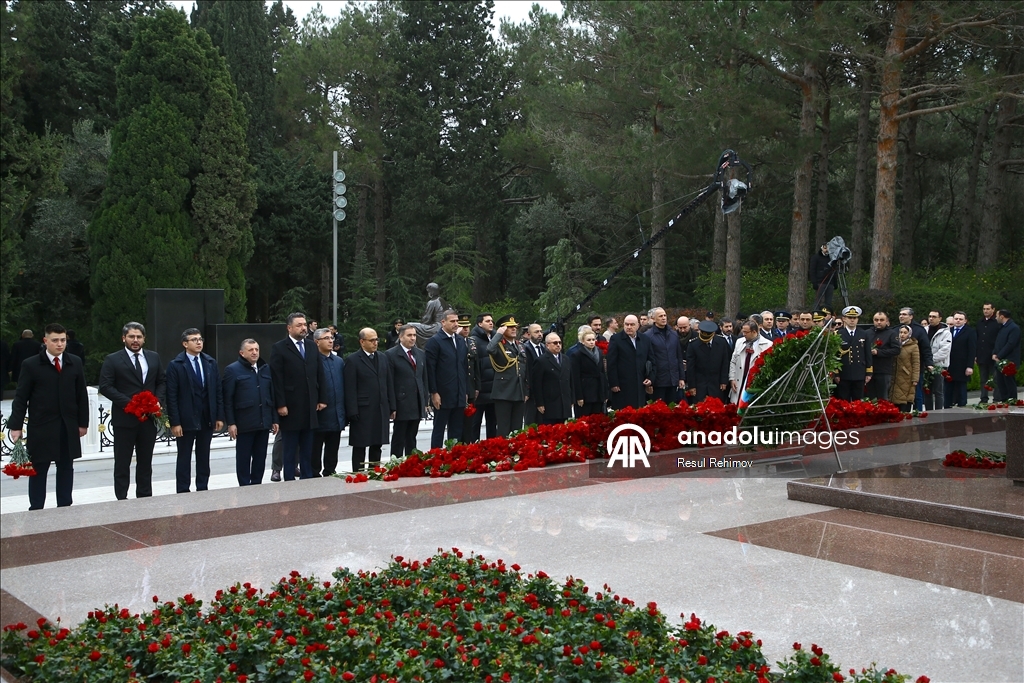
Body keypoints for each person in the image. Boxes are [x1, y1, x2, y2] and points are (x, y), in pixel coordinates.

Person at [8, 323, 89, 510]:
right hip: (41, 427)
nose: (60, 344)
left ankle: (65, 507)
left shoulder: (74, 362)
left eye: (63, 340)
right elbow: (21, 397)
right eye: (55, 340)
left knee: (66, 468)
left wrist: (82, 423)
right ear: (45, 341)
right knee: (39, 469)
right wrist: (16, 426)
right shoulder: (31, 364)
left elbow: (81, 395)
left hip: (67, 425)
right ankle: (36, 509)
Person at [98, 322, 166, 499]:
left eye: (139, 337)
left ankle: (144, 496)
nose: (135, 340)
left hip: (148, 419)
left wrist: (156, 401)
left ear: (144, 339)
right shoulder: (113, 359)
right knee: (122, 462)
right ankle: (122, 497)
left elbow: (161, 381)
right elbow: (105, 386)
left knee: (145, 462)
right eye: (131, 337)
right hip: (125, 418)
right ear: (124, 338)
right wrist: (131, 403)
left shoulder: (153, 357)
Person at [270, 312, 327, 481]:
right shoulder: (279, 348)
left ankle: (307, 478)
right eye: (299, 325)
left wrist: (322, 398)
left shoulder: (311, 346)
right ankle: (289, 479)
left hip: (310, 405)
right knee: (289, 447)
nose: (303, 328)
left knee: (308, 447)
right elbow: (277, 378)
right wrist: (281, 404)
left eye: (304, 324)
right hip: (291, 406)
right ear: (289, 328)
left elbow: (319, 373)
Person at [165, 328, 224, 493]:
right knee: (184, 456)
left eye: (200, 339)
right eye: (194, 340)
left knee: (204, 455)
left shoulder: (210, 363)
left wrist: (219, 416)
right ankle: (183, 489)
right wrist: (175, 422)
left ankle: (202, 487)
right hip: (186, 418)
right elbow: (171, 396)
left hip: (206, 417)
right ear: (185, 344)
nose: (198, 342)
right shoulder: (176, 365)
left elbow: (218, 391)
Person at [224, 339, 277, 486]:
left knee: (260, 457)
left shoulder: (265, 369)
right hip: (244, 422)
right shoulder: (232, 370)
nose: (254, 352)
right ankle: (244, 486)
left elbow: (271, 395)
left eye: (256, 349)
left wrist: (274, 419)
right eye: (250, 350)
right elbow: (228, 399)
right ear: (242, 353)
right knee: (244, 457)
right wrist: (231, 423)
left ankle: (256, 485)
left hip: (263, 421)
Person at [344, 328, 395, 472]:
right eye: (371, 340)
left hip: (380, 407)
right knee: (360, 444)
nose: (375, 343)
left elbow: (389, 383)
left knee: (377, 443)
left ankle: (374, 471)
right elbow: (350, 388)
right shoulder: (353, 360)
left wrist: (392, 406)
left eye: (376, 340)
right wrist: (352, 410)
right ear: (362, 342)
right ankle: (358, 472)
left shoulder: (383, 358)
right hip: (362, 409)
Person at [425, 309, 469, 448]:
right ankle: (436, 455)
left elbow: (464, 366)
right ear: (443, 322)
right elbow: (430, 369)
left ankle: (454, 456)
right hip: (443, 393)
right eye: (452, 321)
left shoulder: (460, 340)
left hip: (459, 392)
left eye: (457, 321)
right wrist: (434, 392)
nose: (456, 324)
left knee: (456, 430)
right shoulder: (435, 342)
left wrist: (465, 390)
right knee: (439, 428)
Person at [386, 324, 427, 457]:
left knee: (412, 436)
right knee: (399, 437)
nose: (413, 338)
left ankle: (411, 462)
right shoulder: (391, 355)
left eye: (414, 335)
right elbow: (389, 382)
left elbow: (423, 378)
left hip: (416, 402)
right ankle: (396, 462)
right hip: (401, 403)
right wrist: (392, 406)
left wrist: (425, 401)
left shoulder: (420, 354)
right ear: (401, 337)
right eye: (409, 335)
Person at [312, 328, 345, 476]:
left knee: (333, 448)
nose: (331, 341)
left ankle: (330, 471)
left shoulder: (338, 361)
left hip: (336, 413)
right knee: (315, 447)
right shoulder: (312, 361)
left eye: (331, 338)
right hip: (319, 414)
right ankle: (314, 473)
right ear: (317, 342)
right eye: (326, 338)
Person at [487, 316, 528, 435]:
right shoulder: (499, 345)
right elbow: (489, 349)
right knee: (504, 428)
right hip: (503, 392)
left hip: (519, 390)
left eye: (515, 326)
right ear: (503, 329)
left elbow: (524, 368)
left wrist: (526, 390)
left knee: (517, 429)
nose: (514, 329)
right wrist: (498, 334)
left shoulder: (520, 345)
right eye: (510, 327)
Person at [606, 314, 655, 409]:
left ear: (638, 325)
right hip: (623, 384)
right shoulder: (616, 339)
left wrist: (650, 378)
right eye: (626, 324)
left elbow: (652, 360)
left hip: (640, 384)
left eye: (632, 324)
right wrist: (613, 383)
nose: (629, 327)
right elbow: (611, 363)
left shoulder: (645, 339)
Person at [465, 312, 496, 442]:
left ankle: (492, 447)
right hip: (480, 389)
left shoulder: (495, 339)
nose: (491, 323)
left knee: (492, 423)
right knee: (475, 423)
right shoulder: (474, 340)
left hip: (493, 388)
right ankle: (474, 447)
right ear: (479, 324)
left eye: (492, 321)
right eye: (487, 321)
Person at [644, 307, 685, 404]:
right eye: (660, 316)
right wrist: (649, 379)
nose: (663, 318)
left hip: (673, 379)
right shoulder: (647, 336)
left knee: (672, 407)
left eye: (665, 315)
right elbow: (646, 360)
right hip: (657, 381)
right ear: (653, 319)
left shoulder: (674, 335)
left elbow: (678, 357)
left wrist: (681, 377)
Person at [686, 320, 731, 403]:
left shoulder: (721, 342)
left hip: (716, 384)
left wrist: (724, 381)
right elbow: (690, 367)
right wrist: (692, 386)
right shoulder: (693, 344)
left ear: (713, 333)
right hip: (700, 385)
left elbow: (725, 362)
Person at [532, 332, 573, 424]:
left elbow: (570, 380)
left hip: (564, 402)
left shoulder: (566, 359)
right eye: (555, 343)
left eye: (559, 342)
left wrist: (571, 399)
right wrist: (539, 403)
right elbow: (537, 384)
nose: (558, 345)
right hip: (550, 402)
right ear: (547, 345)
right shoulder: (541, 361)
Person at [729, 320, 772, 403]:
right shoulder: (739, 342)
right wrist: (732, 378)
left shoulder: (768, 344)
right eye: (743, 331)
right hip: (739, 380)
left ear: (754, 332)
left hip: (753, 382)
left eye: (746, 332)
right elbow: (733, 362)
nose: (743, 334)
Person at [834, 306, 872, 401]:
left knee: (858, 400)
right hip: (844, 372)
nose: (852, 320)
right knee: (843, 400)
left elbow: (867, 353)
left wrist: (869, 372)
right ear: (844, 319)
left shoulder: (864, 334)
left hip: (859, 372)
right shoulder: (838, 334)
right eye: (849, 317)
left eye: (854, 318)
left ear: (857, 319)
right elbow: (835, 355)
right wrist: (836, 373)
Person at [866, 312, 901, 401]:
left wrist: (879, 352)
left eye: (881, 320)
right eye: (876, 320)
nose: (879, 322)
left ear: (886, 321)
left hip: (883, 370)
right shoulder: (867, 333)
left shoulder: (891, 333)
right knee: (869, 397)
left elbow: (896, 350)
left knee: (882, 397)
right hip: (868, 370)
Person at [571, 329, 608, 416]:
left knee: (598, 418)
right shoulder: (577, 355)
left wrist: (605, 393)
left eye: (593, 339)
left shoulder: (599, 352)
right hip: (586, 391)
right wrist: (579, 396)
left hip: (598, 391)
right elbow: (575, 377)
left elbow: (603, 373)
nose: (591, 342)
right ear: (583, 342)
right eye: (588, 340)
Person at [945, 312, 976, 408]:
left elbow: (972, 350)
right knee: (948, 387)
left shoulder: (970, 332)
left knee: (961, 388)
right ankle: (947, 406)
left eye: (960, 319)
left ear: (965, 321)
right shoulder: (948, 331)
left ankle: (962, 407)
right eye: (956, 319)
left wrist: (970, 366)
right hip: (949, 364)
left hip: (962, 365)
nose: (958, 321)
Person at [924, 310, 951, 410]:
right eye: (930, 316)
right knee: (927, 390)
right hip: (926, 365)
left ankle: (939, 413)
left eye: (934, 317)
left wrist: (930, 360)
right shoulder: (924, 330)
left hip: (939, 365)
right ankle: (929, 411)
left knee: (938, 391)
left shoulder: (946, 333)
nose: (931, 318)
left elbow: (944, 351)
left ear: (940, 318)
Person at [992, 309, 1021, 402]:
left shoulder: (1014, 328)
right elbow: (998, 342)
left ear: (1002, 316)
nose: (996, 318)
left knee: (1009, 382)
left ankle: (1012, 400)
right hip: (1000, 360)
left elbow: (1010, 344)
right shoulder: (1002, 327)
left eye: (997, 316)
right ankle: (1004, 400)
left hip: (1009, 360)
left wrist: (999, 356)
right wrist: (994, 353)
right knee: (1001, 382)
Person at [891, 325, 920, 412]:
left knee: (904, 398)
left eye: (905, 333)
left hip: (907, 376)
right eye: (901, 332)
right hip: (895, 374)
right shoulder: (895, 344)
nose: (902, 334)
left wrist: (915, 378)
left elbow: (916, 363)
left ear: (909, 334)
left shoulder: (913, 346)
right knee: (894, 396)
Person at [976, 303, 1000, 403]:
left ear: (993, 310)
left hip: (993, 355)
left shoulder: (997, 323)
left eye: (988, 309)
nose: (985, 311)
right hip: (982, 355)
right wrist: (976, 354)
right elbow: (977, 339)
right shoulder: (980, 322)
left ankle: (997, 398)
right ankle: (983, 398)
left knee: (996, 378)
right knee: (983, 378)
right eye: (984, 309)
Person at [522, 323, 546, 425]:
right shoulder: (524, 349)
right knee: (530, 421)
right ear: (529, 334)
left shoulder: (545, 348)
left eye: (541, 331)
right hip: (531, 392)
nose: (540, 334)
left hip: (543, 391)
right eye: (536, 332)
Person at [809, 243, 834, 310]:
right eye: (825, 248)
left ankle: (828, 313)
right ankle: (816, 312)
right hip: (820, 282)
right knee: (818, 300)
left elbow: (834, 270)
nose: (826, 250)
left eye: (828, 248)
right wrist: (814, 282)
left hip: (830, 282)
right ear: (822, 248)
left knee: (829, 301)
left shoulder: (831, 258)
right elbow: (812, 270)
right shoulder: (816, 257)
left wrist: (835, 282)